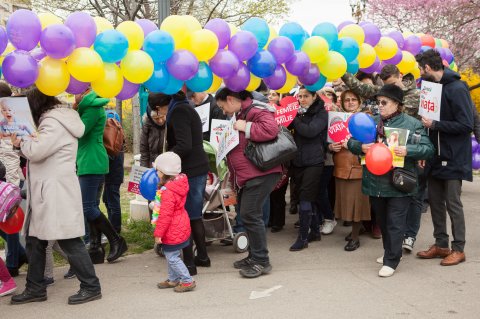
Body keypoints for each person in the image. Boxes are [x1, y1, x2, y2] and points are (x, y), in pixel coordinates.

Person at [10, 88, 101, 305]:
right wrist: (22, 143)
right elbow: (37, 152)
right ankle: (35, 288)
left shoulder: (53, 122)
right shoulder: (58, 118)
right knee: (35, 240)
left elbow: (36, 151)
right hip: (48, 190)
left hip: (55, 191)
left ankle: (91, 285)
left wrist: (19, 142)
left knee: (69, 240)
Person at [347, 84, 434, 277]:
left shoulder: (412, 123)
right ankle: (390, 251)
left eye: (384, 102)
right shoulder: (372, 121)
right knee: (383, 220)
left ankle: (391, 260)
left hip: (399, 181)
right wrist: (361, 146)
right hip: (375, 181)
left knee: (395, 221)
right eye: (378, 102)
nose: (380, 106)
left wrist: (408, 150)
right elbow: (351, 141)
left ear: (397, 103)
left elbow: (428, 149)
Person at [415, 50, 474, 266]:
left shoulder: (457, 88)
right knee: (437, 204)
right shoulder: (431, 89)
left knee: (453, 204)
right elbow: (427, 123)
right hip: (434, 156)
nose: (420, 74)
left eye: (421, 69)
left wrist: (436, 124)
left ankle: (459, 249)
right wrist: (424, 149)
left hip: (453, 156)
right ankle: (441, 244)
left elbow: (466, 124)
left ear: (428, 68)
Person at [215, 88, 281, 278]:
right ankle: (254, 255)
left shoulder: (255, 110)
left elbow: (271, 130)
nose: (223, 111)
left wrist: (247, 127)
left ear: (230, 99)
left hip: (262, 173)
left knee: (250, 215)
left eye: (222, 107)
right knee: (247, 215)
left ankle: (261, 260)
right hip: (249, 175)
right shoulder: (242, 113)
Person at [148, 91, 210, 276]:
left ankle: (190, 264)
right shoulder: (185, 107)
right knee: (194, 215)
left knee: (186, 216)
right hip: (197, 167)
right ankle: (203, 257)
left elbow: (184, 145)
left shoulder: (179, 112)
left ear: (158, 107)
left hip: (191, 169)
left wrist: (165, 161)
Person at [75, 90, 127, 264]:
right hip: (92, 160)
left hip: (91, 161)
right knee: (91, 206)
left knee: (88, 207)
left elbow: (79, 132)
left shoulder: (90, 108)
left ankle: (115, 240)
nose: (72, 94)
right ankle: (95, 248)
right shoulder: (91, 107)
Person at [330, 90, 371, 251]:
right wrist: (330, 146)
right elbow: (329, 141)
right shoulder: (336, 120)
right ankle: (357, 229)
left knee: (357, 205)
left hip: (359, 167)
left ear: (360, 102)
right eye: (347, 100)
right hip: (341, 165)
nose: (350, 102)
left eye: (354, 99)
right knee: (345, 204)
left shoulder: (367, 118)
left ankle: (355, 236)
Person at [288, 86, 328, 251]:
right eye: (300, 96)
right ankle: (315, 231)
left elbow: (310, 131)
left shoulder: (322, 113)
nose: (302, 99)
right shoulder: (298, 113)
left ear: (314, 97)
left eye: (306, 96)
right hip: (297, 161)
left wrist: (293, 118)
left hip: (314, 161)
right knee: (304, 197)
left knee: (306, 197)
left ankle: (303, 237)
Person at [152, 152, 196, 293]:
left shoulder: (168, 192)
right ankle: (173, 279)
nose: (156, 172)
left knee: (172, 257)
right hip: (180, 223)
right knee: (172, 254)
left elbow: (165, 215)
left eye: (157, 170)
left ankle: (187, 281)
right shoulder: (177, 184)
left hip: (172, 228)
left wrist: (158, 234)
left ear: (165, 172)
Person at [0, 82, 27, 277]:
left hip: (10, 173)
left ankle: (13, 262)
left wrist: (11, 181)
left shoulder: (12, 115)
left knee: (9, 218)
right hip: (6, 171)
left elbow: (11, 152)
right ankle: (21, 254)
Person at [103, 110, 124, 234]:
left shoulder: (114, 138)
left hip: (113, 176)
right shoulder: (118, 135)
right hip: (112, 175)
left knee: (112, 201)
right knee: (107, 199)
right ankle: (112, 225)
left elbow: (111, 157)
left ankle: (115, 229)